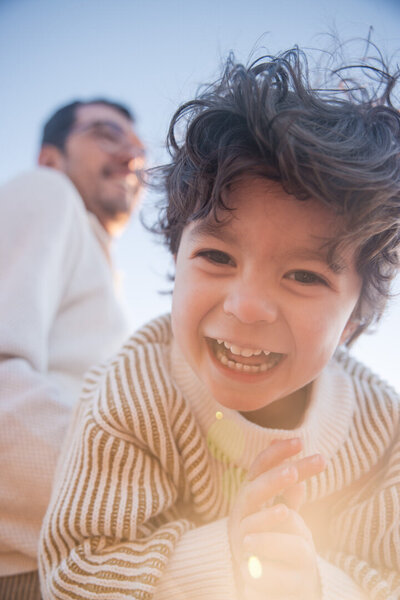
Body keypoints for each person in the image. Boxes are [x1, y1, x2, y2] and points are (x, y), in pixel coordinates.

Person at [39, 45, 400, 600]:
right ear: (177, 261)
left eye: (305, 277)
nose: (247, 306)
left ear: (353, 320)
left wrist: (315, 583)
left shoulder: (384, 433)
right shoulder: (134, 391)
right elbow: (76, 569)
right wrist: (228, 559)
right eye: (218, 258)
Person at [0, 98, 145, 599]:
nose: (132, 156)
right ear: (50, 158)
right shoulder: (47, 192)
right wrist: (151, 507)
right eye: (107, 134)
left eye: (138, 148)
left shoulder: (100, 269)